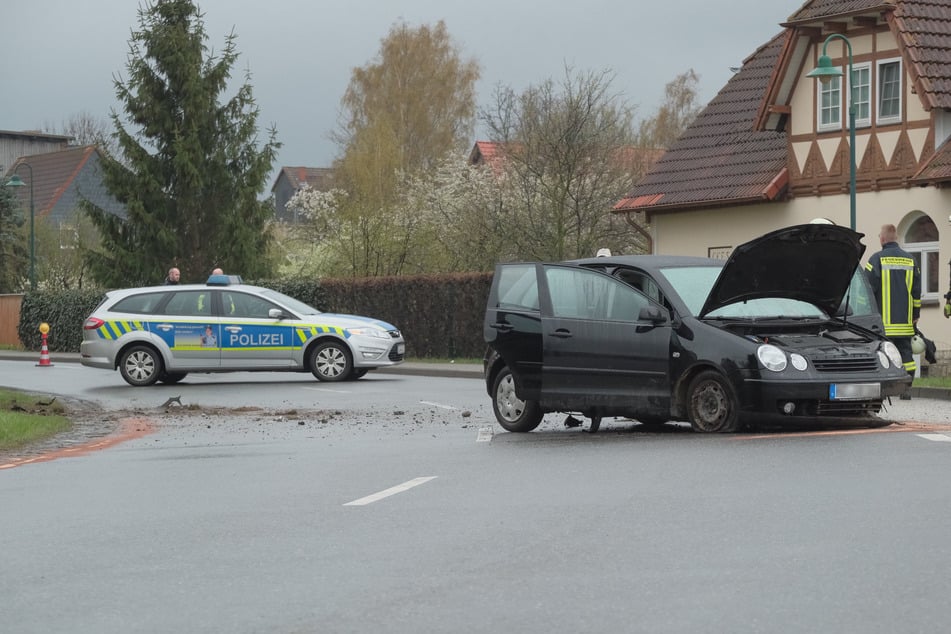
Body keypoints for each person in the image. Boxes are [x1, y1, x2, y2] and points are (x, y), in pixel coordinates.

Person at [865, 223, 921, 397]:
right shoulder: (911, 260)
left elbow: (867, 290)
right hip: (905, 322)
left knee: (883, 355)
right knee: (906, 356)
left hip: (882, 324)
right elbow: (916, 292)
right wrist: (915, 315)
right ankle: (906, 389)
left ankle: (885, 389)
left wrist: (865, 314)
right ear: (895, 238)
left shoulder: (876, 260)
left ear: (882, 239)